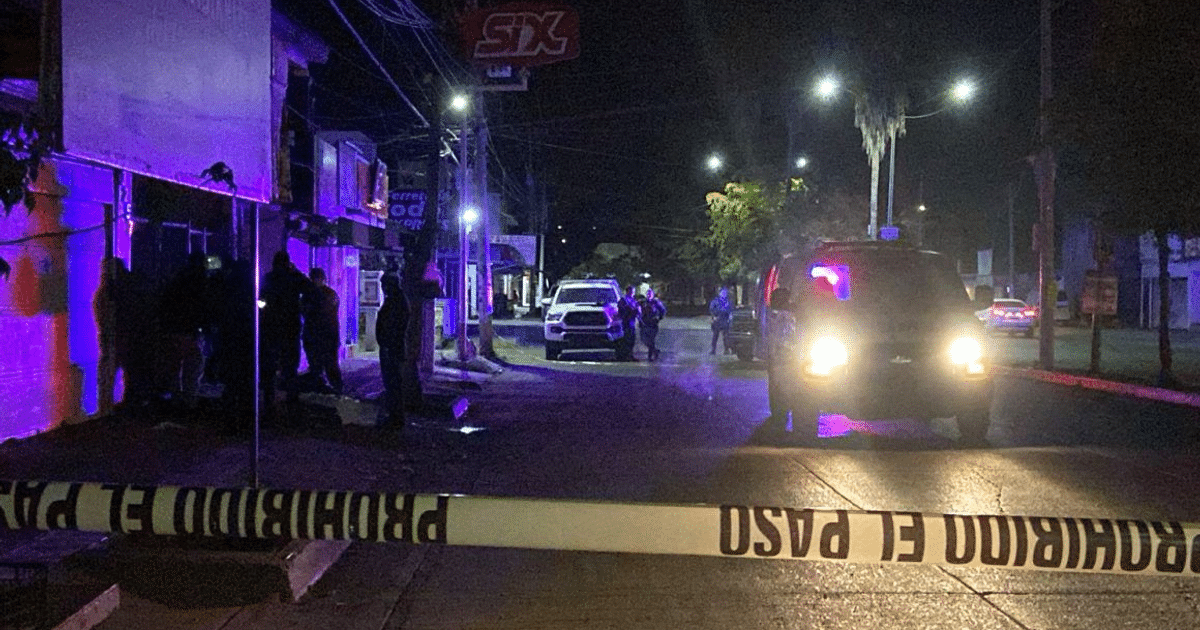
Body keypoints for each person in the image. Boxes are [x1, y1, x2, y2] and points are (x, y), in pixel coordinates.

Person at [157, 252, 213, 410]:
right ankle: (189, 403)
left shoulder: (177, 279)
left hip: (174, 329)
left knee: (175, 369)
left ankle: (176, 401)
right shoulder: (201, 282)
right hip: (192, 331)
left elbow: (165, 303)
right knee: (193, 369)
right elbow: (204, 308)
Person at [260, 251, 311, 414]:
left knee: (269, 366)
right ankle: (291, 400)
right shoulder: (294, 277)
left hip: (270, 327)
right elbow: (311, 289)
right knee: (290, 366)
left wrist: (264, 312)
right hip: (290, 327)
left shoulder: (269, 278)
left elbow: (261, 300)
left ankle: (269, 400)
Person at [301, 267, 343, 394]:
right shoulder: (329, 294)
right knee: (327, 366)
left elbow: (307, 312)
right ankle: (333, 391)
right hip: (325, 336)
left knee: (324, 366)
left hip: (321, 336)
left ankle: (332, 391)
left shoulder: (316, 295)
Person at [376, 272, 409, 429]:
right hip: (392, 347)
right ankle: (395, 416)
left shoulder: (396, 302)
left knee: (393, 383)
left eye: (384, 286)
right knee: (392, 384)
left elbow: (392, 326)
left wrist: (387, 345)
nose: (383, 289)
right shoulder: (396, 300)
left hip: (392, 348)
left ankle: (396, 418)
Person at [638, 288, 667, 362]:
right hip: (644, 324)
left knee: (651, 340)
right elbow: (638, 310)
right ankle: (655, 351)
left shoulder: (656, 302)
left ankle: (650, 356)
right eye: (648, 294)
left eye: (650, 294)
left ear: (653, 295)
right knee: (643, 339)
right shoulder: (643, 302)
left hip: (653, 324)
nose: (649, 295)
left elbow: (663, 311)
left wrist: (659, 318)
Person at [617, 284, 640, 361]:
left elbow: (638, 310)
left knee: (632, 340)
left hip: (632, 323)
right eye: (631, 291)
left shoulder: (634, 300)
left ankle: (630, 355)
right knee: (626, 340)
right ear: (628, 291)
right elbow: (622, 310)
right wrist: (629, 310)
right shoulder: (623, 300)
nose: (633, 293)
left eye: (633, 292)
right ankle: (625, 356)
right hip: (625, 323)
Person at [709, 286, 733, 355]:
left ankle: (726, 350)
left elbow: (731, 310)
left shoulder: (728, 302)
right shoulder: (716, 301)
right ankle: (713, 350)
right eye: (722, 292)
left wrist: (730, 318)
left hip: (725, 319)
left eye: (725, 293)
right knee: (715, 336)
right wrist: (713, 317)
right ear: (719, 293)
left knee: (726, 336)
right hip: (717, 319)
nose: (723, 294)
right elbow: (711, 309)